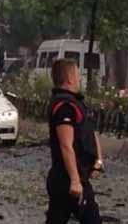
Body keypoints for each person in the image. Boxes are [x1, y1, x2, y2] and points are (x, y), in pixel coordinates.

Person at [46, 59, 105, 224]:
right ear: (70, 77)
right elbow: (66, 145)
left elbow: (90, 133)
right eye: (78, 74)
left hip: (77, 177)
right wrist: (75, 180)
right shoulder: (64, 106)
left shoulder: (77, 104)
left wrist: (97, 161)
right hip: (67, 181)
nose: (80, 78)